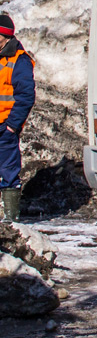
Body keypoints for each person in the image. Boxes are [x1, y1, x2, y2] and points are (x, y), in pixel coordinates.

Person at [0, 14, 34, 224]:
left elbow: (26, 95)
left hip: (4, 128)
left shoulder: (19, 60)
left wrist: (12, 126)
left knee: (8, 173)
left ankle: (11, 222)